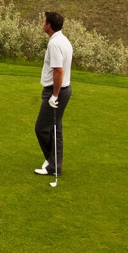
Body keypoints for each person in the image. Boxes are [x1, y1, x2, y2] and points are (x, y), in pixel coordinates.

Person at [34, 12, 73, 177]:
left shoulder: (55, 44)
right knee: (55, 130)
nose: (42, 23)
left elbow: (58, 71)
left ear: (48, 25)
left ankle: (52, 164)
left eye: (44, 21)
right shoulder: (62, 40)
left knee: (42, 129)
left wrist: (54, 95)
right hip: (62, 90)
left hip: (56, 90)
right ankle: (54, 164)